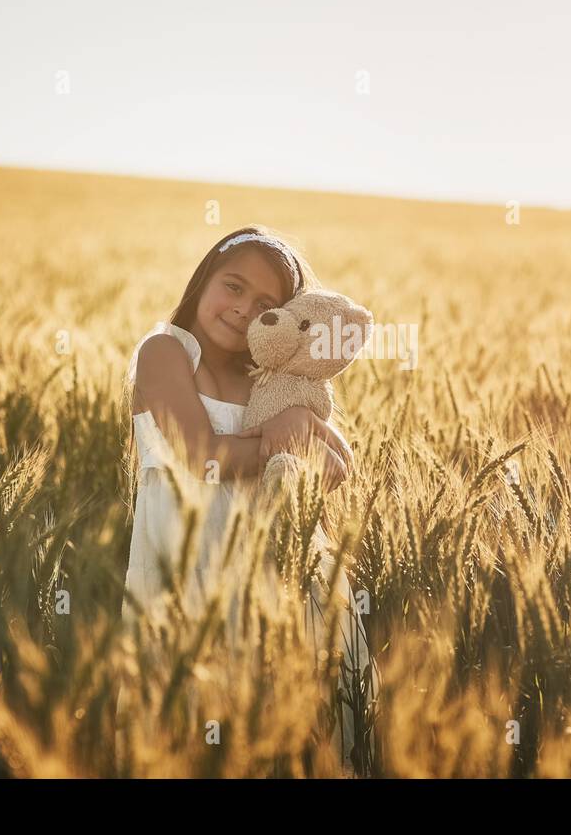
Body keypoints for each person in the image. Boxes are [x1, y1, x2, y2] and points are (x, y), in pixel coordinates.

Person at [117, 224, 379, 775]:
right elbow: (200, 454)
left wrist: (301, 423)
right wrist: (284, 433)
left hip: (269, 568)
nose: (242, 309)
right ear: (204, 280)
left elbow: (338, 462)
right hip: (188, 568)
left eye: (265, 304)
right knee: (191, 709)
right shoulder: (165, 351)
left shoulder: (270, 375)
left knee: (276, 711)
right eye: (232, 287)